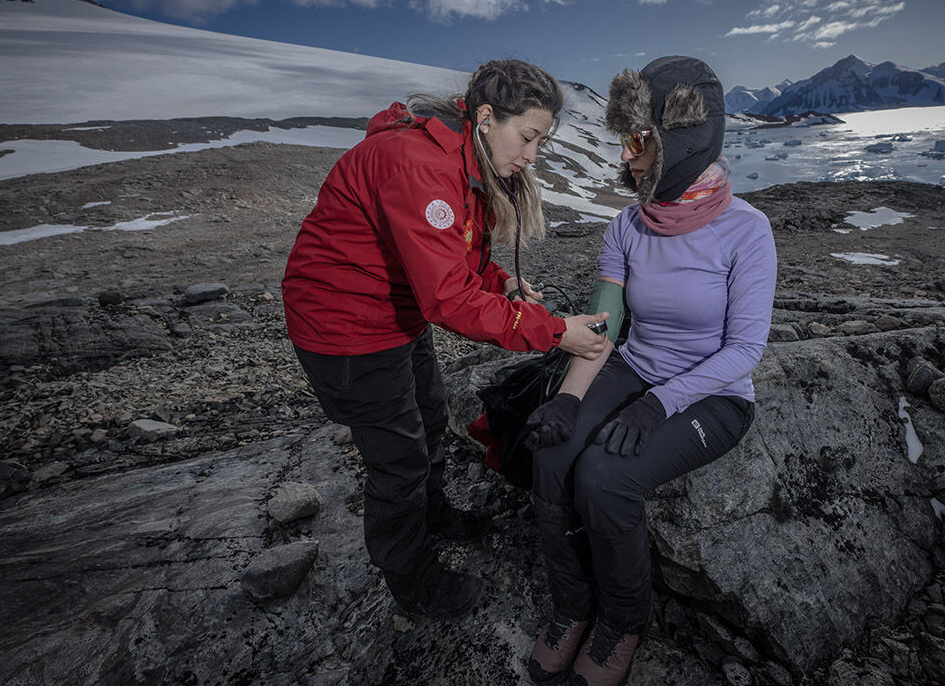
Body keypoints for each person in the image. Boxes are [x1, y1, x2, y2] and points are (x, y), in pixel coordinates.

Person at [282, 59, 610, 622]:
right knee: (399, 461)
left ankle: (433, 518)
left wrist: (502, 282)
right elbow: (448, 300)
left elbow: (450, 262)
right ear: (486, 117)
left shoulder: (461, 158)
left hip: (392, 315)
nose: (531, 156)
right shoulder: (419, 166)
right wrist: (556, 333)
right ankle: (411, 581)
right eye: (528, 137)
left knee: (430, 418)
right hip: (346, 330)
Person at [523, 56, 777, 686]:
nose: (629, 159)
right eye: (626, 142)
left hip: (713, 395)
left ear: (680, 142)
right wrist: (570, 399)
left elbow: (744, 352)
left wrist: (659, 404)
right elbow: (604, 325)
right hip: (635, 369)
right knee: (553, 455)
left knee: (606, 479)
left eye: (640, 142)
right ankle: (571, 606)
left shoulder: (747, 231)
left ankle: (624, 621)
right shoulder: (627, 226)